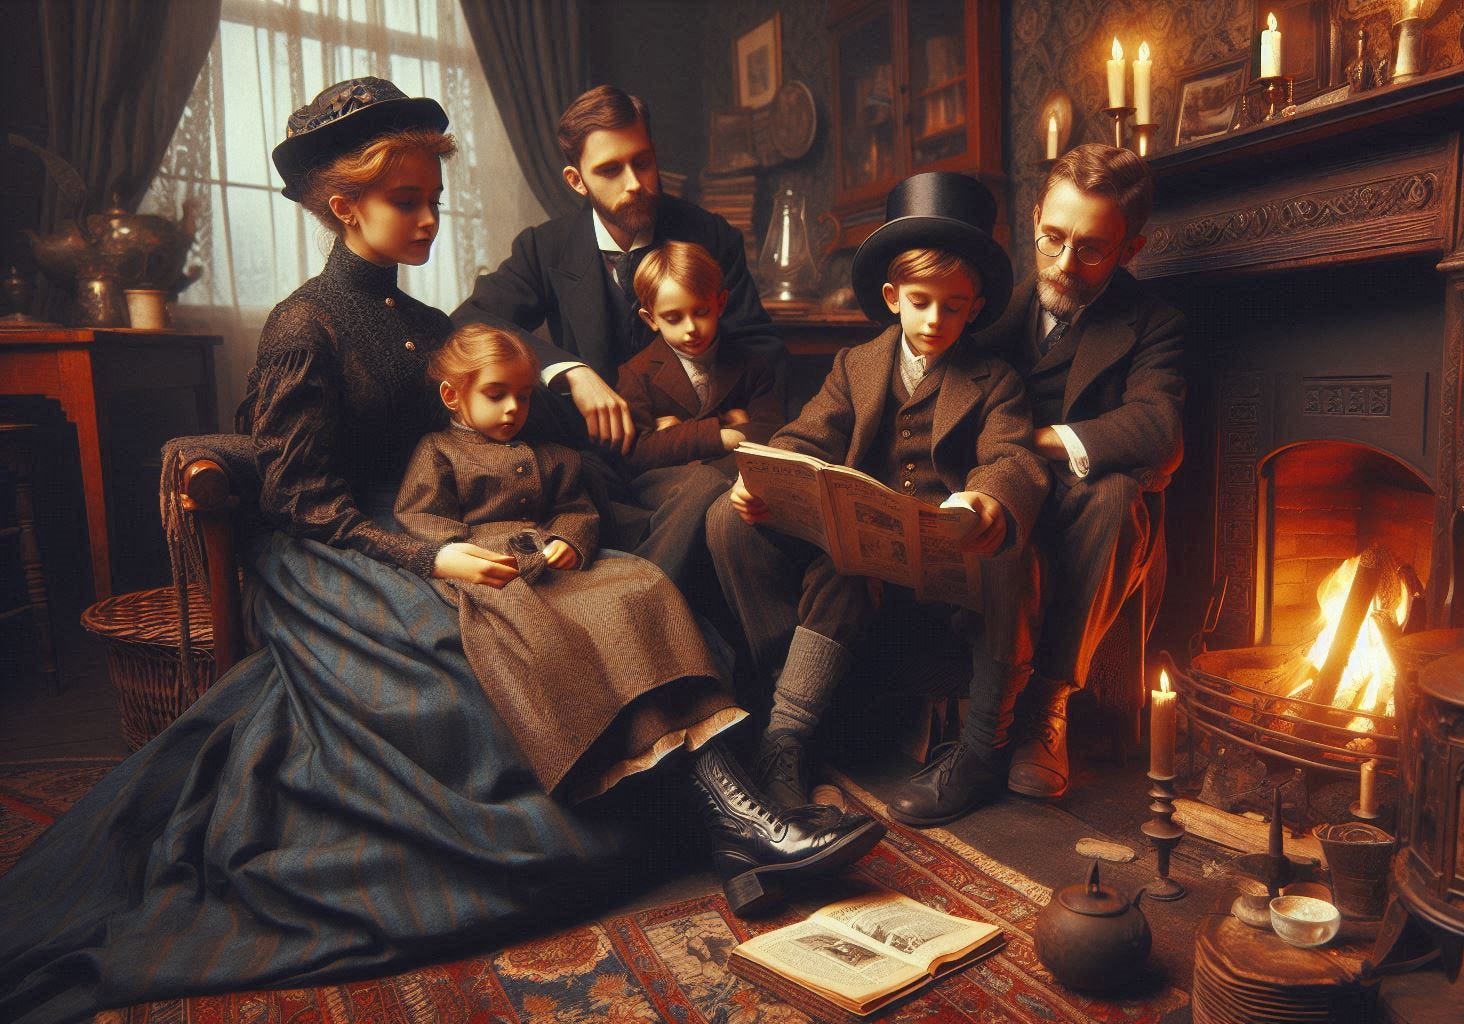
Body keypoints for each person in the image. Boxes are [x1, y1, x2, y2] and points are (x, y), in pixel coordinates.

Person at [0, 78, 875, 1024]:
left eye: (432, 199)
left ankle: (738, 822)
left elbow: (484, 429)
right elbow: (297, 497)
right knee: (492, 643)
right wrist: (431, 561)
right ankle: (736, 826)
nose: (428, 218)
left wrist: (549, 461)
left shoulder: (429, 327)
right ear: (345, 208)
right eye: (406, 202)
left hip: (447, 526)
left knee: (625, 585)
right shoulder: (305, 324)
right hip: (333, 552)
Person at [706, 172, 1048, 827]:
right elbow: (804, 437)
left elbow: (1012, 457)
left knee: (1011, 550)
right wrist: (768, 482)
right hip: (865, 556)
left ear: (975, 307)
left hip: (947, 562)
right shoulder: (855, 367)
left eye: (953, 305)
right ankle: (788, 737)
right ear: (892, 297)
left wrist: (982, 504)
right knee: (753, 529)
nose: (935, 319)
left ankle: (978, 751)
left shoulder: (993, 379)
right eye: (921, 301)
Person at [453, 85, 783, 587]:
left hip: (694, 454)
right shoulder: (545, 248)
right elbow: (470, 320)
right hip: (595, 461)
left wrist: (707, 423)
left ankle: (638, 603)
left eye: (643, 162)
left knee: (706, 498)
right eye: (610, 170)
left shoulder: (712, 237)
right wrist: (570, 371)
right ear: (576, 179)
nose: (635, 184)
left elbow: (761, 350)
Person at [395, 323, 739, 801]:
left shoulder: (552, 455)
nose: (514, 408)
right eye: (496, 395)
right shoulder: (439, 452)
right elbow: (421, 515)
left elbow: (575, 510)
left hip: (554, 559)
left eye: (523, 396)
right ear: (454, 396)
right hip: (492, 568)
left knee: (638, 583)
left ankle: (691, 723)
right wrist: (456, 553)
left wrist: (568, 540)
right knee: (544, 626)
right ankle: (607, 757)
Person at [973, 144, 1189, 800]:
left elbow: (1159, 430)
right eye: (1052, 238)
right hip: (999, 491)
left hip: (1086, 504)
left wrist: (1040, 439)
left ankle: (1048, 703)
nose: (1064, 264)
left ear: (1131, 249)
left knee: (1118, 494)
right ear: (1035, 216)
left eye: (1091, 249)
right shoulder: (983, 310)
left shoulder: (1155, 323)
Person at [611, 241, 786, 593]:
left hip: (733, 481)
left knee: (732, 508)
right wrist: (724, 431)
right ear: (651, 319)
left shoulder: (752, 363)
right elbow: (637, 454)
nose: (690, 328)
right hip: (662, 487)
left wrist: (677, 435)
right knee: (704, 482)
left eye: (701, 312)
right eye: (673, 318)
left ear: (720, 303)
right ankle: (647, 591)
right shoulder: (637, 373)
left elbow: (773, 432)